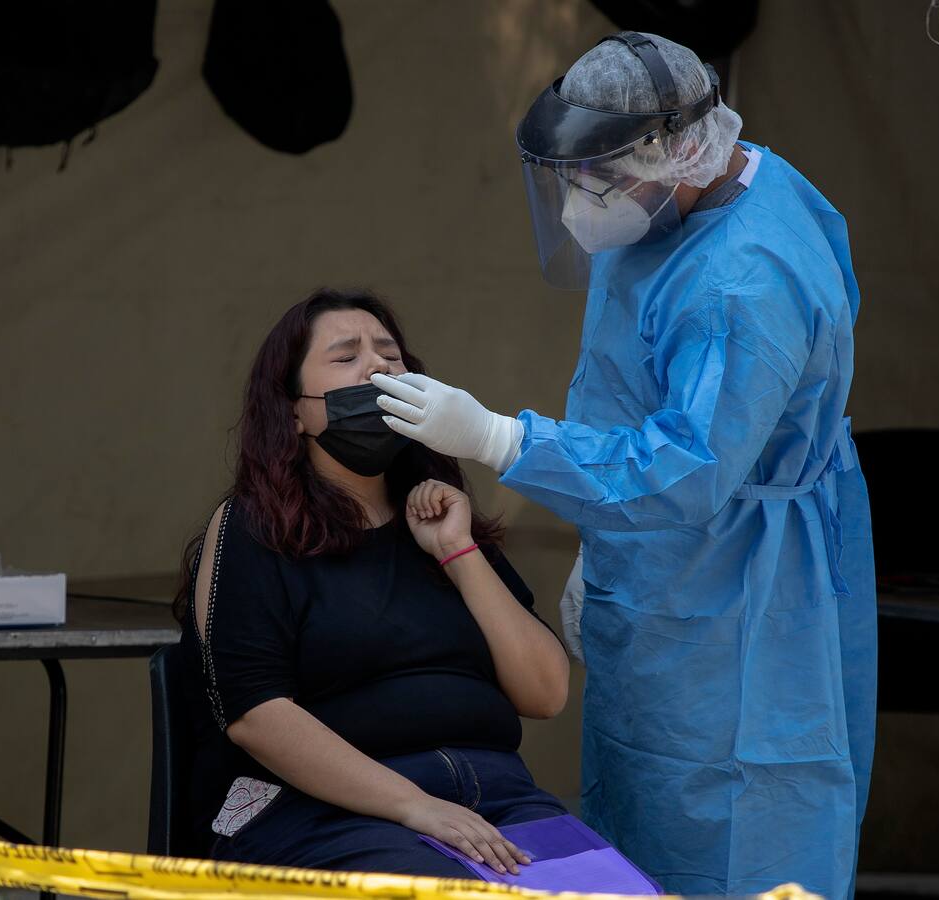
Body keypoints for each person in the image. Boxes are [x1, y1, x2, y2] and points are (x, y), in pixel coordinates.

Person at [371, 31, 877, 899]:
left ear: (680, 153)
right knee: (633, 824)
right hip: (659, 557)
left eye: (597, 180)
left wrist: (501, 440)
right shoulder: (692, 199)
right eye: (569, 177)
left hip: (741, 590)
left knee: (733, 821)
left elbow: (688, 469)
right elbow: (631, 399)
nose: (577, 207)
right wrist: (610, 548)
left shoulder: (740, 283)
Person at [173, 288, 571, 877]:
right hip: (323, 813)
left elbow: (545, 693)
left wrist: (459, 553)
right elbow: (255, 714)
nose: (380, 366)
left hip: (498, 799)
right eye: (346, 356)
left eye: (391, 354)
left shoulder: (441, 519)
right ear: (294, 411)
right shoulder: (251, 528)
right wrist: (415, 807)